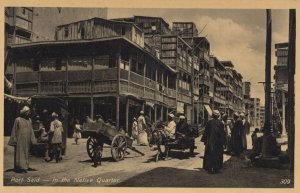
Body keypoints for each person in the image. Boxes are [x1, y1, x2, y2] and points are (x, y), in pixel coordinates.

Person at [8, 106, 37, 173]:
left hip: (27, 139)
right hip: (20, 139)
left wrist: (33, 139)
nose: (28, 113)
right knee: (20, 153)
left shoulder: (29, 120)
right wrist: (14, 140)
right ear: (24, 112)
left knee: (26, 152)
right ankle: (20, 167)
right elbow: (14, 130)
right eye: (27, 112)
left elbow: (31, 130)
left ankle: (26, 166)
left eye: (29, 112)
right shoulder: (18, 119)